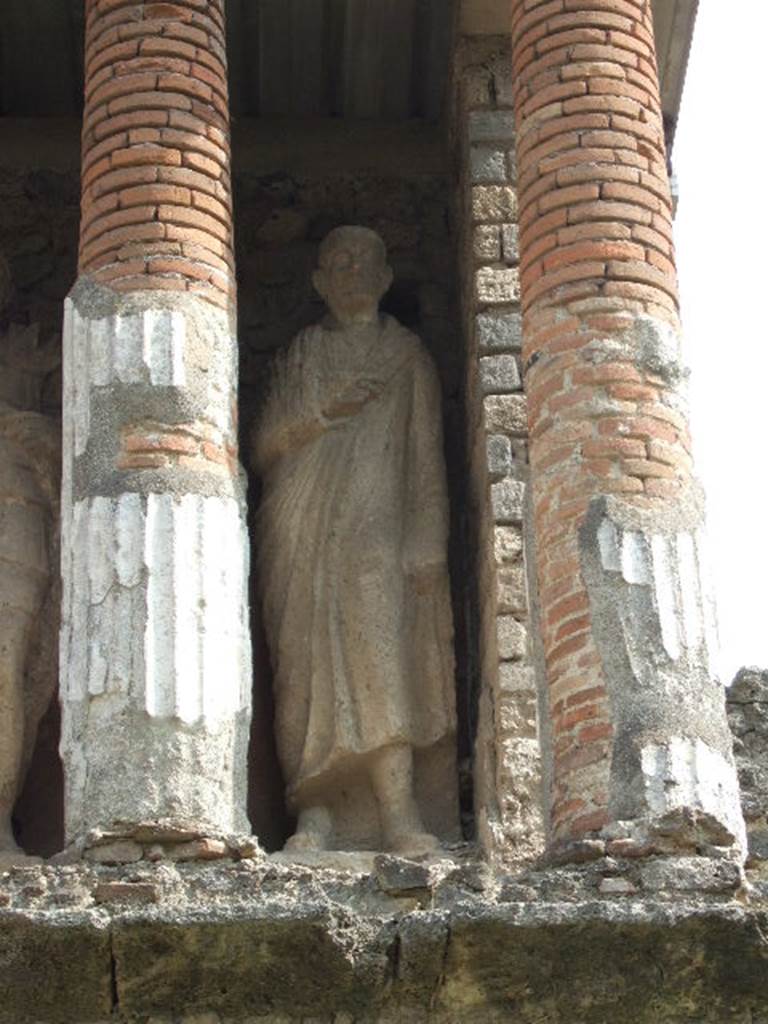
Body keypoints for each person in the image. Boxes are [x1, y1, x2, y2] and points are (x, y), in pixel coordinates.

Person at [253, 226, 456, 854]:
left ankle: (398, 812)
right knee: (302, 671)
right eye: (337, 263)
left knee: (382, 662)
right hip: (299, 530)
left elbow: (426, 457)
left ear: (385, 277)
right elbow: (262, 446)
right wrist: (320, 416)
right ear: (319, 281)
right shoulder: (301, 355)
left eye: (363, 261)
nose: (351, 271)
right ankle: (314, 815)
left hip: (379, 532)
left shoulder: (406, 357)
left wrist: (428, 539)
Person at [0, 254, 60, 865]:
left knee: (6, 672)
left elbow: (84, 441)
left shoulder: (29, 358)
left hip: (13, 524)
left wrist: (41, 438)